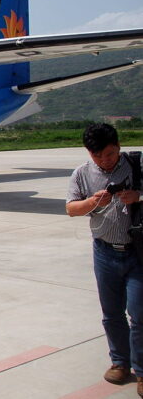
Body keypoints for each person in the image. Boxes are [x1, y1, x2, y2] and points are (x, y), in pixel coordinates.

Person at [66, 123, 143, 396]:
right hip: (104, 252)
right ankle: (120, 363)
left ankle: (142, 370)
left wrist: (139, 196)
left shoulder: (137, 165)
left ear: (118, 146)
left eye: (109, 154)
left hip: (137, 251)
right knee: (112, 314)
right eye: (97, 155)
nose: (104, 160)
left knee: (140, 314)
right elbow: (71, 208)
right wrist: (91, 203)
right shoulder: (82, 174)